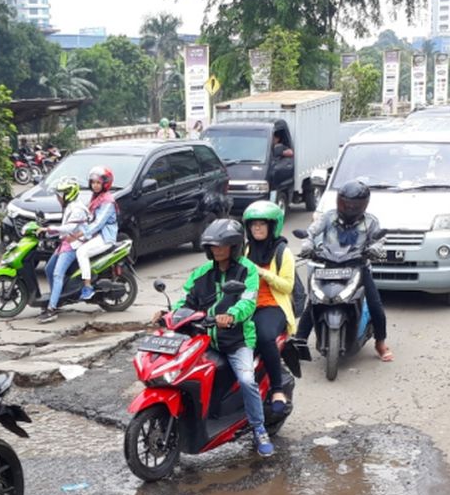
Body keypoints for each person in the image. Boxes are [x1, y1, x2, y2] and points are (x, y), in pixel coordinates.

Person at [153, 218, 273, 457]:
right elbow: (185, 299)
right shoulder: (201, 273)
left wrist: (231, 315)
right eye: (212, 246)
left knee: (247, 380)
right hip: (204, 339)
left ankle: (259, 429)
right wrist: (170, 314)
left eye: (222, 245)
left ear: (235, 246)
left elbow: (248, 301)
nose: (216, 250)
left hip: (237, 341)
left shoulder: (246, 270)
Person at [294, 179, 393, 362]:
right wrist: (307, 244)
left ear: (363, 205)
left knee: (375, 305)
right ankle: (299, 340)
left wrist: (375, 249)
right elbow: (311, 232)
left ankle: (380, 342)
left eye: (354, 205)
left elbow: (379, 240)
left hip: (357, 267)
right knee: (314, 301)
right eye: (345, 203)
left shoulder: (370, 222)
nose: (349, 208)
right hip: (328, 265)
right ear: (339, 201)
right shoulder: (328, 217)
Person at [242, 201, 297, 415]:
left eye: (262, 224)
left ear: (272, 226)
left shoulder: (282, 252)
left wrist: (262, 272)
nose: (257, 229)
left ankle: (276, 390)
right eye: (253, 225)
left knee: (263, 337)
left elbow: (287, 286)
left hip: (273, 306)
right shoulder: (246, 249)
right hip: (246, 305)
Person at [37, 177, 89, 324]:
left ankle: (52, 309)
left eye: (59, 195)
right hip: (65, 243)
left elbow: (68, 228)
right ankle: (58, 298)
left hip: (73, 245)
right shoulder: (70, 207)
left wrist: (49, 229)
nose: (57, 198)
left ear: (68, 195)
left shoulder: (77, 209)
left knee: (57, 274)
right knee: (48, 269)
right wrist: (46, 231)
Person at [68, 165, 119, 301]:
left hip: (104, 237)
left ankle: (87, 286)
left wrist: (80, 234)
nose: (95, 185)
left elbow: (98, 223)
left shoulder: (107, 201)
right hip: (94, 236)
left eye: (98, 183)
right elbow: (88, 218)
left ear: (105, 184)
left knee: (81, 252)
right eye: (93, 182)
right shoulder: (97, 198)